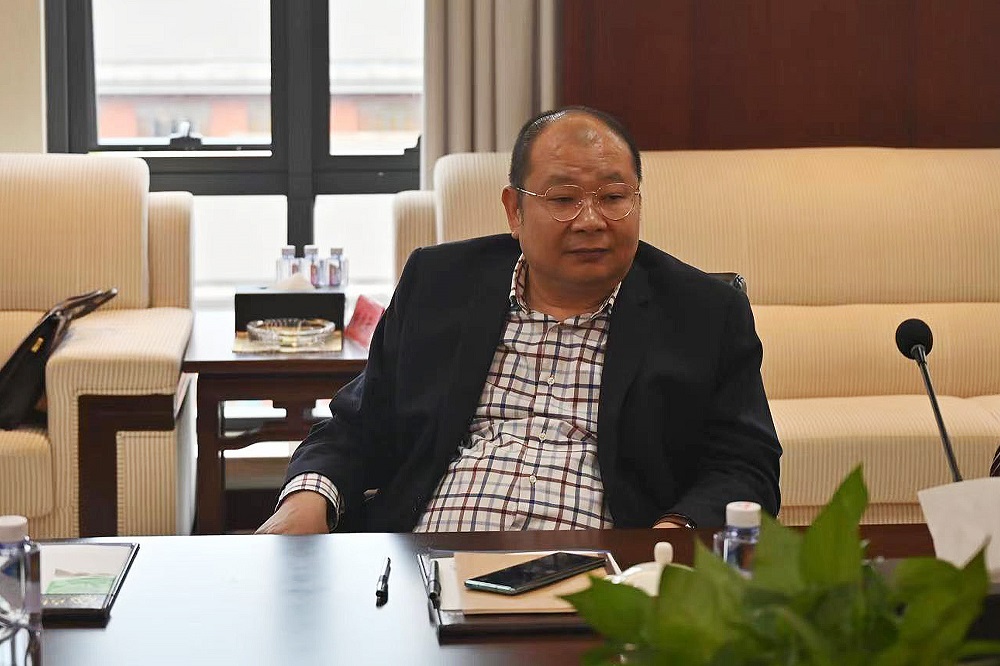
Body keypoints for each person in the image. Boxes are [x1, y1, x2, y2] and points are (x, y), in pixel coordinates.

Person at [257, 106, 781, 535]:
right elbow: (358, 424)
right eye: (563, 199)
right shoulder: (438, 283)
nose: (591, 220)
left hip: (605, 581)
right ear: (514, 211)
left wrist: (672, 534)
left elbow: (745, 466)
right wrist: (305, 500)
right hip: (428, 564)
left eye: (614, 197)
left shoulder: (703, 312)